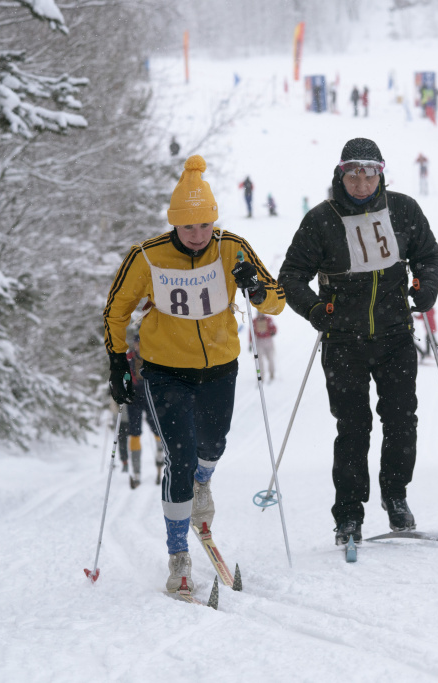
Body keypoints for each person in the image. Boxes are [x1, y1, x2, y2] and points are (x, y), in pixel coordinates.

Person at [104, 155, 285, 594]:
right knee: (179, 456)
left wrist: (256, 288)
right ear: (175, 225)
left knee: (213, 444)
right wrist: (116, 362)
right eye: (189, 228)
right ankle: (178, 555)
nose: (199, 236)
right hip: (165, 372)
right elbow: (115, 310)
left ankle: (204, 483)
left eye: (205, 226)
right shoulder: (147, 256)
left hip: (220, 368)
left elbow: (277, 301)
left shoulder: (231, 246)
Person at [278, 138, 438, 546]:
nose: (362, 181)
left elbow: (429, 255)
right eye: (353, 172)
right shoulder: (322, 219)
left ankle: (395, 495)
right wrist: (316, 311)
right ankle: (349, 515)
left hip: (396, 336)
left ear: (381, 174)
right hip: (343, 341)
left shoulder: (403, 209)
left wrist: (427, 288)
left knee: (402, 421)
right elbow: (291, 277)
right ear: (341, 173)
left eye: (370, 173)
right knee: (353, 428)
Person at [117, 328, 165, 488]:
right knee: (134, 432)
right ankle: (136, 470)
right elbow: (121, 375)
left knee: (156, 427)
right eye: (137, 344)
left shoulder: (153, 357)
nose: (139, 347)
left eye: (142, 344)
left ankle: (160, 452)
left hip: (151, 396)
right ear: (134, 344)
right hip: (134, 398)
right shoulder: (128, 358)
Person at [250, 312, 278, 381]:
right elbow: (251, 332)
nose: (260, 316)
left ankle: (272, 374)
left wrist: (273, 332)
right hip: (259, 342)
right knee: (259, 361)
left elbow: (273, 328)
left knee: (270, 358)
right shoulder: (254, 321)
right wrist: (251, 342)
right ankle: (261, 376)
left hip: (268, 341)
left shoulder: (268, 319)